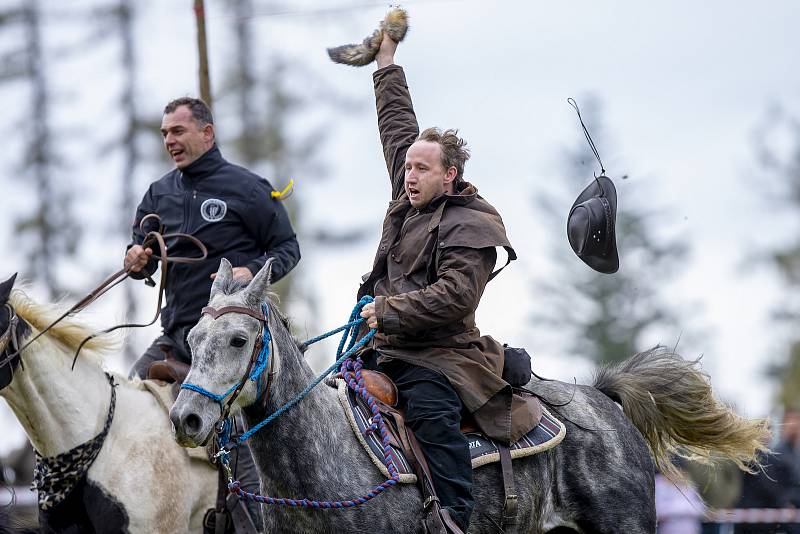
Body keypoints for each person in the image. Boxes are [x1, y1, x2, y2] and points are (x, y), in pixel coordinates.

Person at [355, 34, 539, 532]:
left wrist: (389, 311)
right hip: (382, 346)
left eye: (420, 168)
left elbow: (457, 296)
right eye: (407, 167)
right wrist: (386, 64)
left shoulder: (472, 223)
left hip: (441, 356)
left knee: (432, 416)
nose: (408, 175)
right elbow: (398, 127)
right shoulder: (410, 191)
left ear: (450, 175)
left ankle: (453, 519)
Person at [124, 96, 301, 531]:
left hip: (231, 350)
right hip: (175, 336)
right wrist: (136, 260)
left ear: (207, 132)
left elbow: (288, 250)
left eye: (177, 131)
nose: (169, 140)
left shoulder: (249, 188)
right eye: (165, 132)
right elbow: (142, 253)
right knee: (123, 410)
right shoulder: (157, 194)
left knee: (239, 460)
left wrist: (251, 270)